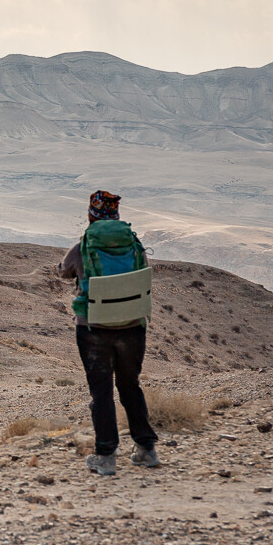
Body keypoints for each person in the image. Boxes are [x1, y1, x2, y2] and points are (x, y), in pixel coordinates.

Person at [58, 190, 159, 476]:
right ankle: (147, 450)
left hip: (93, 330)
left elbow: (64, 271)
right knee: (130, 386)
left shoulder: (83, 246)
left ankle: (105, 457)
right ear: (116, 215)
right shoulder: (134, 244)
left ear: (92, 215)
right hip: (133, 327)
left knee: (101, 392)